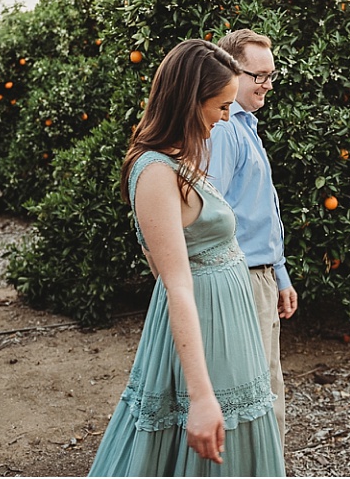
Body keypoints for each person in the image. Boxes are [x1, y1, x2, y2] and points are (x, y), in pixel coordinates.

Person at [89, 39, 285, 476]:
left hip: (230, 328)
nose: (224, 117)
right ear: (187, 101)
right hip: (205, 330)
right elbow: (173, 279)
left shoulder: (184, 158)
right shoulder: (156, 171)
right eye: (219, 106)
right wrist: (199, 395)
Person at [207, 29, 298, 451]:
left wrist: (279, 273)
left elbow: (259, 210)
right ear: (229, 71)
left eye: (271, 75)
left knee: (266, 385)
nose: (265, 84)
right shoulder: (224, 131)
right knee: (259, 392)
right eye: (256, 75)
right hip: (241, 277)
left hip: (260, 274)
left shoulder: (246, 125)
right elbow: (213, 212)